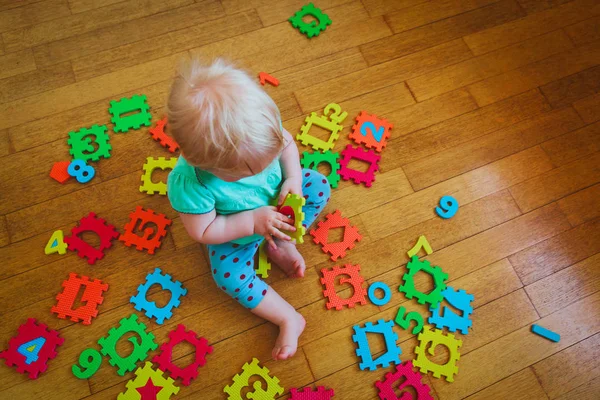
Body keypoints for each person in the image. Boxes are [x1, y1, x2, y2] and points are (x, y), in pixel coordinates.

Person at [166, 58, 330, 360]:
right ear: (198, 160)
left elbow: (287, 146)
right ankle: (287, 317)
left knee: (318, 185)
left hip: (276, 206)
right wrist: (250, 223)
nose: (261, 170)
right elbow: (202, 230)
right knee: (227, 276)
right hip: (234, 232)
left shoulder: (259, 124)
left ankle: (278, 241)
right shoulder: (190, 182)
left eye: (267, 160)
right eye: (245, 172)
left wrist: (292, 177)